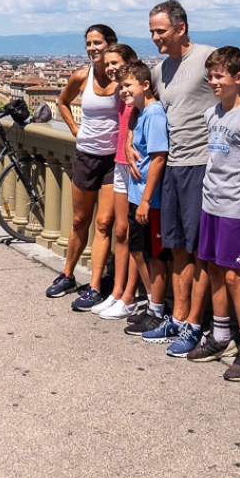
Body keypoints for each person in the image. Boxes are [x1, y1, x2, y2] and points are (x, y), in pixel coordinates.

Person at [135, 0, 240, 358]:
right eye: (151, 31)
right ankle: (179, 318)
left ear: (181, 28)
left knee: (200, 256)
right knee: (178, 248)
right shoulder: (160, 70)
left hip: (201, 167)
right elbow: (142, 103)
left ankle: (196, 324)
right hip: (173, 166)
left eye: (161, 30)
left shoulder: (206, 58)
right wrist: (127, 143)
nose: (155, 37)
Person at [183, 47, 240, 380]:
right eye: (210, 76)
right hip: (212, 203)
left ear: (238, 78)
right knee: (214, 270)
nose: (213, 82)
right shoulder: (213, 114)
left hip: (237, 208)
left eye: (219, 76)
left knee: (236, 278)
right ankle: (221, 336)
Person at [46, 24, 122, 308]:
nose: (92, 48)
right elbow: (63, 102)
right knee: (79, 220)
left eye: (97, 43)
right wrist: (75, 129)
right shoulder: (81, 76)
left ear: (110, 44)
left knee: (104, 223)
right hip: (86, 156)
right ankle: (67, 274)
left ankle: (94, 285)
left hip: (114, 160)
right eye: (88, 43)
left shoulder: (123, 78)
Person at [86, 43, 141, 320]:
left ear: (130, 62)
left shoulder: (138, 90)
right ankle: (117, 292)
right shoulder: (120, 92)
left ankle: (129, 295)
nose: (109, 68)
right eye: (107, 64)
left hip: (135, 166)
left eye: (115, 62)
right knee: (120, 231)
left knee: (133, 233)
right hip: (119, 163)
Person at [117, 61, 170, 337]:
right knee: (138, 250)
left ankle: (158, 310)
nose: (123, 91)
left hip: (150, 199)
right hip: (138, 194)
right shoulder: (140, 113)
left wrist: (147, 200)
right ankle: (152, 304)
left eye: (128, 85)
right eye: (121, 87)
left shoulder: (154, 114)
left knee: (154, 255)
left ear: (146, 85)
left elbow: (159, 157)